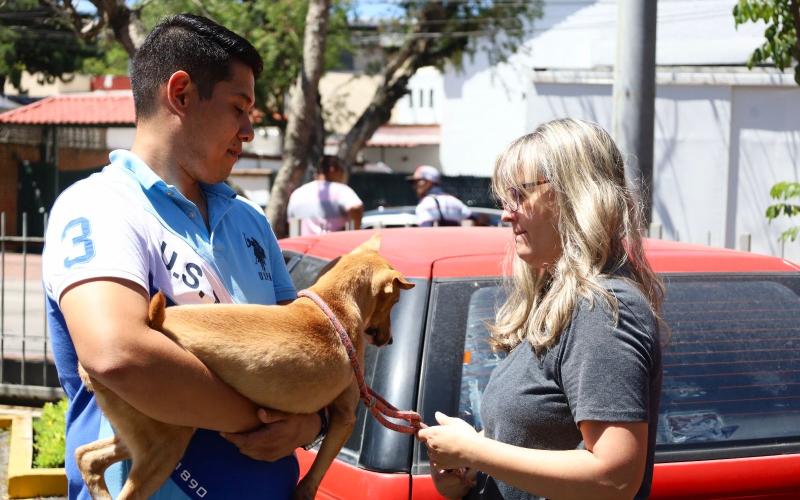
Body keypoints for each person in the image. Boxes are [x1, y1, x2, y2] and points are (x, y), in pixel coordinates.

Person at [42, 14, 325, 499]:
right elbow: (118, 354)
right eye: (239, 107)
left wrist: (309, 424)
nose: (250, 130)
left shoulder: (250, 220)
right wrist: (264, 418)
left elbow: (300, 355)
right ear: (181, 93)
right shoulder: (100, 206)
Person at [417, 118, 665, 500]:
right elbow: (540, 438)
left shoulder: (603, 309)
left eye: (520, 194)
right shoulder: (559, 302)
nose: (505, 213)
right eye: (505, 198)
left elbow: (615, 477)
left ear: (574, 195)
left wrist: (475, 451)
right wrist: (469, 473)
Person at [287, 155, 364, 235]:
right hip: (331, 245)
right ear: (333, 169)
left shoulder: (297, 194)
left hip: (303, 246)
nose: (343, 176)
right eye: (342, 171)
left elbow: (292, 228)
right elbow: (356, 208)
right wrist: (353, 234)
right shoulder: (340, 190)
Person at [407, 165, 473, 227]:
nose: (415, 186)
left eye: (417, 181)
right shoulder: (454, 200)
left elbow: (425, 232)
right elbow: (476, 216)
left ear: (428, 182)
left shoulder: (427, 202)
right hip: (456, 238)